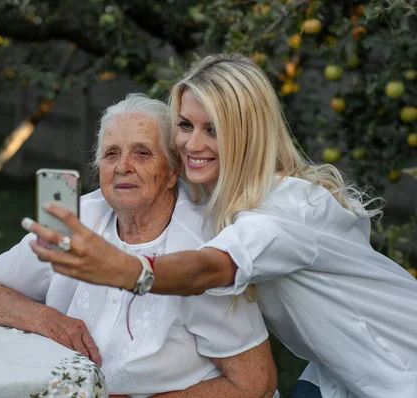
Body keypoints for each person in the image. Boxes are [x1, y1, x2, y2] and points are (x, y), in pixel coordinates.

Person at [24, 54, 417, 398]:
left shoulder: (284, 209)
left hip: (401, 373)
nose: (192, 145)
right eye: (185, 125)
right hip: (334, 370)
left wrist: (127, 270)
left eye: (213, 129)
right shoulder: (217, 194)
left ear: (247, 133)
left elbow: (207, 268)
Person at [0, 93, 277, 398]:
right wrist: (45, 318)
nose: (122, 166)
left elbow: (256, 384)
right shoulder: (76, 220)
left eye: (142, 153)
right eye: (111, 153)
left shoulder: (202, 251)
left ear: (171, 172)